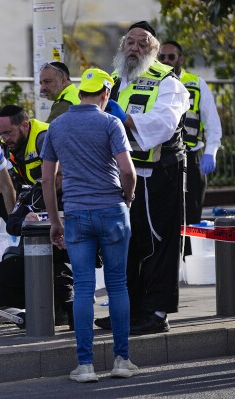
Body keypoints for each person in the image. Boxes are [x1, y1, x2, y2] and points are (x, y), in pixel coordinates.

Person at [41, 68, 138, 382]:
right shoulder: (111, 123)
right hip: (112, 210)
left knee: (83, 287)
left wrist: (55, 221)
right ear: (106, 94)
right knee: (117, 285)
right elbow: (128, 171)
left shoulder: (57, 126)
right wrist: (128, 197)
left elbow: (47, 179)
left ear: (82, 91)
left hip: (77, 214)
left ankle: (85, 366)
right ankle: (122, 360)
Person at [97, 21, 190, 335]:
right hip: (122, 176)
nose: (134, 48)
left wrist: (126, 119)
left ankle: (155, 313)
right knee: (126, 244)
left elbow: (164, 124)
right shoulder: (111, 82)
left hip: (158, 174)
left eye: (143, 43)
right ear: (122, 47)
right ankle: (128, 311)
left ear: (154, 50)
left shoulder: (167, 82)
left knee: (158, 243)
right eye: (130, 42)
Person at [0, 105, 74, 327]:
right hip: (40, 226)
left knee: (59, 268)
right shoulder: (35, 187)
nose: (4, 139)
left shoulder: (44, 139)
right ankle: (45, 307)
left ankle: (66, 306)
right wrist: (25, 221)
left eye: (7, 132)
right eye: (1, 134)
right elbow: (13, 219)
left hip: (66, 245)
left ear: (24, 125)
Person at [158, 40, 223, 255]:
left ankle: (191, 262)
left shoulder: (196, 83)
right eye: (162, 57)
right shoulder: (154, 84)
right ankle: (171, 262)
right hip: (163, 159)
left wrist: (211, 152)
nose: (166, 61)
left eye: (171, 57)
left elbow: (213, 123)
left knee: (193, 213)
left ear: (181, 59)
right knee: (166, 213)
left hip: (193, 156)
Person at [0, 182, 74, 330]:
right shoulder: (32, 194)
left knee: (62, 287)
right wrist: (24, 221)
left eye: (60, 174)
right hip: (30, 259)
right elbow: (11, 224)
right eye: (52, 173)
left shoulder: (77, 192)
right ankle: (39, 309)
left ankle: (64, 309)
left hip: (63, 260)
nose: (56, 178)